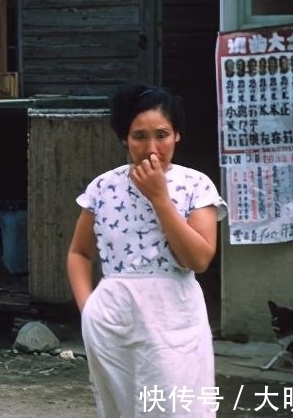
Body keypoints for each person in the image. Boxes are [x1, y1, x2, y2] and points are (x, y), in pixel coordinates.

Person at [66, 82, 227, 418]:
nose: (152, 147)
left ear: (177, 135)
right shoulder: (102, 187)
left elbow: (198, 259)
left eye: (162, 134)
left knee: (178, 409)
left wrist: (159, 197)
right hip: (112, 321)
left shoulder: (196, 185)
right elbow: (79, 253)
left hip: (174, 319)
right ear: (124, 137)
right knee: (121, 409)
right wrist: (89, 308)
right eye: (139, 136)